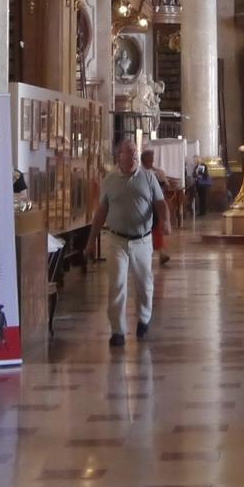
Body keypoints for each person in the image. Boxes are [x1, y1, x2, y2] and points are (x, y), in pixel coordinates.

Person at [90, 139, 163, 348]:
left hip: (142, 240)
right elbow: (101, 211)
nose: (132, 157)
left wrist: (165, 220)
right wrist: (90, 241)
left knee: (144, 284)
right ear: (119, 156)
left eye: (134, 153)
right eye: (128, 153)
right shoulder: (110, 180)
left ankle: (144, 318)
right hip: (116, 240)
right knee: (117, 285)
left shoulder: (148, 178)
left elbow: (160, 203)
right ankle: (118, 331)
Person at [140, 148, 171, 266]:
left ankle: (161, 252)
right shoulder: (140, 173)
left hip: (156, 204)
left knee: (157, 228)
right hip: (145, 205)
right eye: (150, 160)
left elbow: (166, 186)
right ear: (144, 160)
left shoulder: (157, 172)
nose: (152, 162)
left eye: (152, 160)